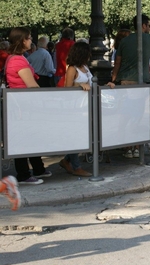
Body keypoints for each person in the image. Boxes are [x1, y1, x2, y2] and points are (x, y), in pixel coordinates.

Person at [5, 27, 53, 185]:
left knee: (31, 136)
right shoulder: (18, 60)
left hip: (22, 104)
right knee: (24, 138)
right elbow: (31, 85)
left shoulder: (16, 57)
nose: (31, 40)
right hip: (23, 105)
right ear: (22, 40)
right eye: (29, 38)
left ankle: (38, 168)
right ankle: (24, 174)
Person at [58, 42, 93, 177]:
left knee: (82, 135)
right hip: (75, 107)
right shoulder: (72, 69)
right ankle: (76, 166)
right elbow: (68, 88)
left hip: (84, 106)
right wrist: (80, 84)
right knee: (76, 136)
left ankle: (67, 160)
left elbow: (91, 83)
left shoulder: (85, 67)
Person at [110, 14, 150, 85]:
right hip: (142, 80)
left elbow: (117, 63)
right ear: (144, 26)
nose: (149, 28)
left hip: (124, 80)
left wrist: (113, 80)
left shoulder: (124, 40)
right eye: (149, 26)